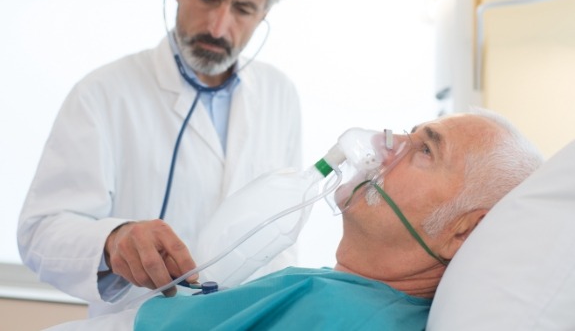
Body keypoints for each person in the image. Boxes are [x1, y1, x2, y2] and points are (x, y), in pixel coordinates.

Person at [17, 0, 301, 317]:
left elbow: (283, 229)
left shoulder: (279, 94)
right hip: (141, 321)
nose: (219, 27)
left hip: (250, 321)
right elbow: (40, 233)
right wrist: (113, 242)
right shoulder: (102, 93)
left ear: (264, 13)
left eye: (243, 9)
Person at [43, 109, 544, 330]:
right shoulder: (334, 294)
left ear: (464, 232)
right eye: (408, 133)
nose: (383, 147)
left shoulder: (354, 321)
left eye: (425, 151)